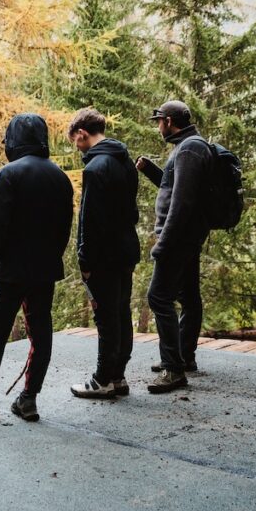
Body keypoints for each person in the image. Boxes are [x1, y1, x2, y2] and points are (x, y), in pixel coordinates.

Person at [0, 114, 74, 423]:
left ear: (13, 140)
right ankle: (28, 400)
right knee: (40, 332)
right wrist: (50, 257)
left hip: (9, 271)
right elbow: (64, 228)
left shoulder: (9, 173)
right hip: (45, 271)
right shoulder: (60, 178)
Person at [136, 100, 212, 393]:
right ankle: (183, 358)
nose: (158, 127)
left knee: (158, 298)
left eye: (159, 122)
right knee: (189, 297)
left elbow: (182, 203)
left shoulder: (190, 149)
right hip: (187, 237)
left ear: (168, 121)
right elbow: (175, 188)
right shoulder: (189, 147)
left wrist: (162, 245)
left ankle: (173, 368)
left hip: (178, 239)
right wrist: (153, 171)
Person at [67, 108, 140, 399]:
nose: (77, 147)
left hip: (104, 257)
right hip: (125, 250)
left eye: (76, 141)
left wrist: (85, 260)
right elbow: (130, 211)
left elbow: (91, 220)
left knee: (105, 318)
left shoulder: (95, 169)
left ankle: (102, 380)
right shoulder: (125, 162)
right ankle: (118, 376)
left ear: (82, 134)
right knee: (121, 312)